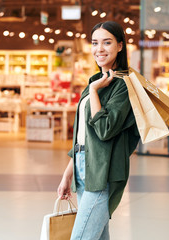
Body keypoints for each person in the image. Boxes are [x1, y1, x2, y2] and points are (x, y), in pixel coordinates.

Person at [57, 21, 140, 239]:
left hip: (103, 171)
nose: (99, 49)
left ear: (120, 46)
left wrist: (94, 92)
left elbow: (104, 130)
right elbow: (83, 135)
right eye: (95, 43)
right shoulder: (95, 80)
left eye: (107, 42)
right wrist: (68, 174)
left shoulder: (123, 85)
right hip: (83, 165)